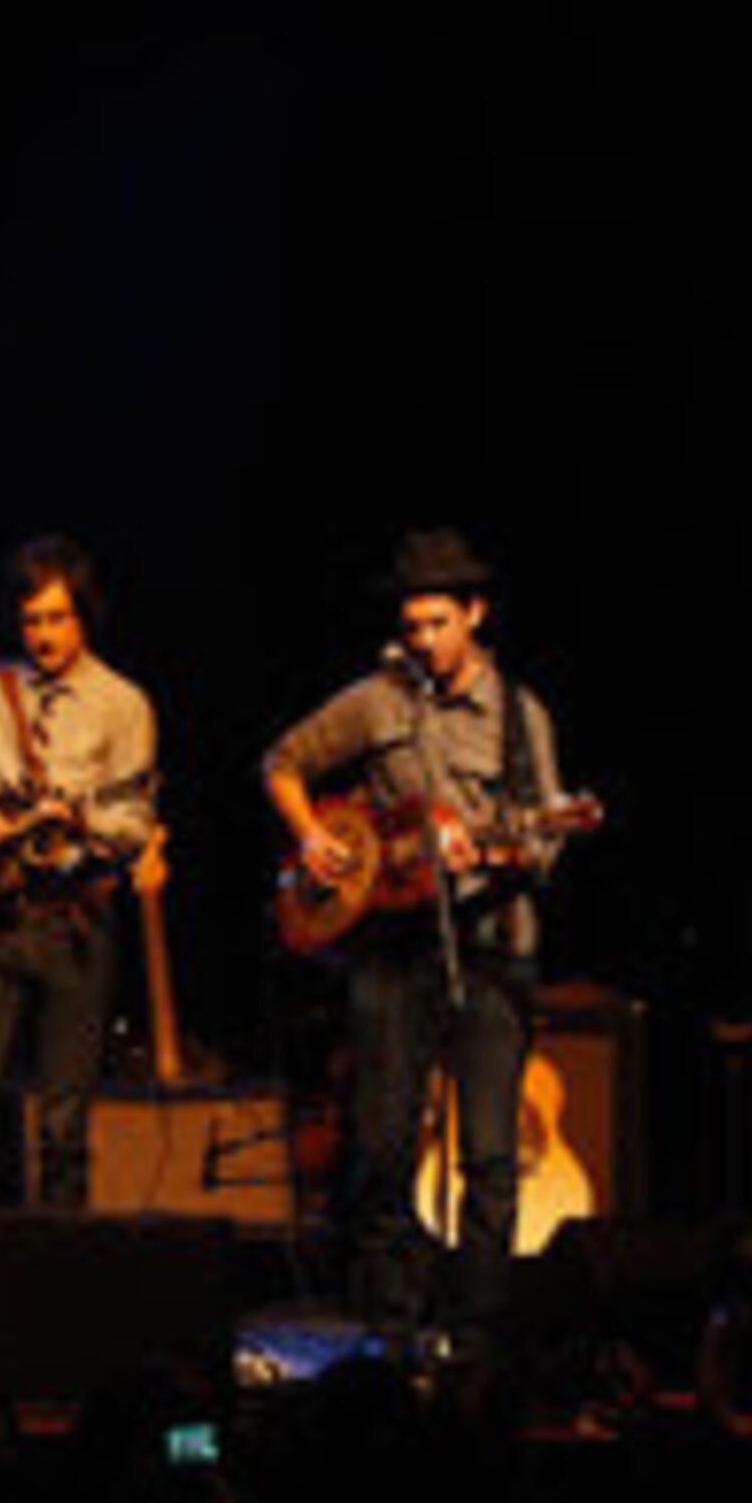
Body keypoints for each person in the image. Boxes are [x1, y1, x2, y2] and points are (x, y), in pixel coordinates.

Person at [263, 527, 580, 1353]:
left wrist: (503, 851)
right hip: (391, 947)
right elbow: (283, 762)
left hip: (489, 943)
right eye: (413, 627)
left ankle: (476, 1335)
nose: (424, 641)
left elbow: (546, 837)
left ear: (475, 614)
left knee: (490, 1154)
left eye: (439, 623)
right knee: (383, 1143)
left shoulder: (519, 713)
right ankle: (391, 1329)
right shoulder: (377, 700)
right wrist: (313, 839)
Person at [0, 537, 162, 1209]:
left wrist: (74, 820)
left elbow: (135, 822)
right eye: (32, 621)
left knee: (63, 1124)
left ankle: (61, 1286)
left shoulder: (124, 703)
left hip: (74, 922)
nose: (43, 635)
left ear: (83, 617)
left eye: (57, 618)